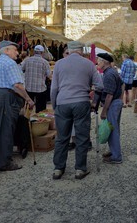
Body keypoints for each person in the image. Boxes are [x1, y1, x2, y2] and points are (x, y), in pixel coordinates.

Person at [51, 41, 103, 180]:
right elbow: (99, 85)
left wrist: (55, 105)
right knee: (81, 137)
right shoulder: (89, 64)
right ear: (81, 50)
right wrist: (92, 98)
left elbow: (54, 88)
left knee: (62, 137)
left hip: (62, 102)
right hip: (81, 101)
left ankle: (58, 169)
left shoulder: (59, 64)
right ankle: (80, 169)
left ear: (69, 50)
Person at [0, 40, 35, 171]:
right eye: (15, 50)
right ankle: (4, 162)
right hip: (5, 97)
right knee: (5, 129)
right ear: (7, 50)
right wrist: (28, 99)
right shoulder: (10, 63)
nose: (17, 52)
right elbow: (17, 85)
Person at [95, 53, 124, 164]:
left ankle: (116, 156)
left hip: (112, 103)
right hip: (116, 102)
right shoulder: (112, 72)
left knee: (112, 130)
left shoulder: (108, 74)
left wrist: (104, 111)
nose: (97, 62)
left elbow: (109, 95)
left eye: (99, 60)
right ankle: (114, 151)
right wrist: (120, 99)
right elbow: (122, 84)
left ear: (104, 62)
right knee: (114, 128)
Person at [21, 45, 51, 113]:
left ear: (34, 52)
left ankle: (28, 122)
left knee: (28, 110)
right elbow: (49, 75)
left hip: (29, 88)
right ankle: (38, 123)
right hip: (41, 88)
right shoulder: (45, 62)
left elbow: (21, 69)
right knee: (41, 110)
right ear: (42, 53)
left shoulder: (27, 60)